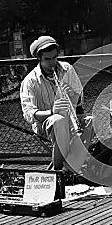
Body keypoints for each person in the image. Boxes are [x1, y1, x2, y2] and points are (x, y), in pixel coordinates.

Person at [20, 36, 93, 175]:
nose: (52, 63)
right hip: (45, 124)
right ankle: (58, 170)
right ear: (39, 59)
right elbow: (29, 115)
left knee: (91, 121)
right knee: (59, 120)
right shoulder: (30, 81)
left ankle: (69, 167)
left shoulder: (67, 69)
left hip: (70, 119)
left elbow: (79, 104)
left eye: (54, 58)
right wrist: (52, 111)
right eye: (47, 59)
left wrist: (72, 96)